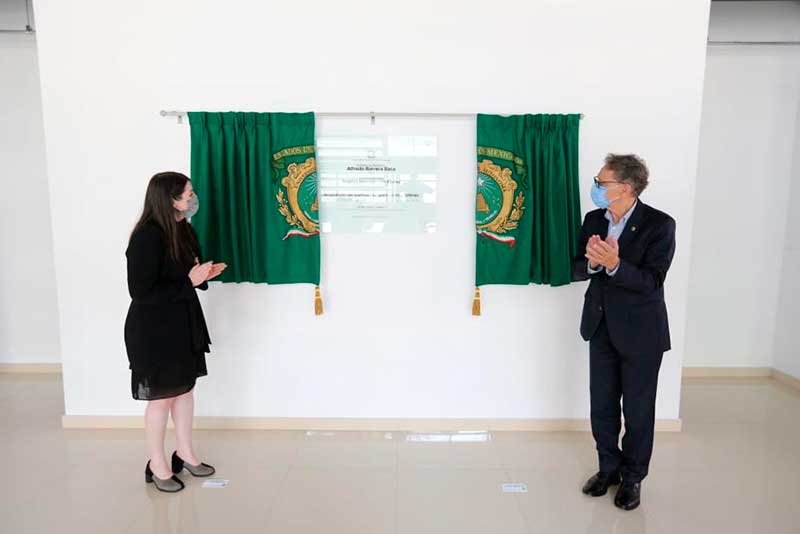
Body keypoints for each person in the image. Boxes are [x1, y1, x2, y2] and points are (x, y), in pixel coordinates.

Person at [572, 154, 676, 511]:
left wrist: (616, 266)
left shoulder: (659, 225)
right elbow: (575, 266)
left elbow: (652, 281)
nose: (596, 188)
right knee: (601, 406)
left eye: (602, 183)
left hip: (642, 334)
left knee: (637, 411)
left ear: (626, 188)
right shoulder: (593, 220)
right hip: (600, 327)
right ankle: (608, 469)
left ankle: (633, 479)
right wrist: (590, 263)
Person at [124, 172, 227, 492]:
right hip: (154, 329)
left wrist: (204, 274)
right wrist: (189, 282)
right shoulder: (146, 236)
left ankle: (186, 452)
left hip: (183, 321)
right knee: (161, 399)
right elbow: (140, 292)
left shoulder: (182, 229)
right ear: (169, 198)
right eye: (188, 193)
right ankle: (157, 464)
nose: (193, 198)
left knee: (184, 391)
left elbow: (187, 274)